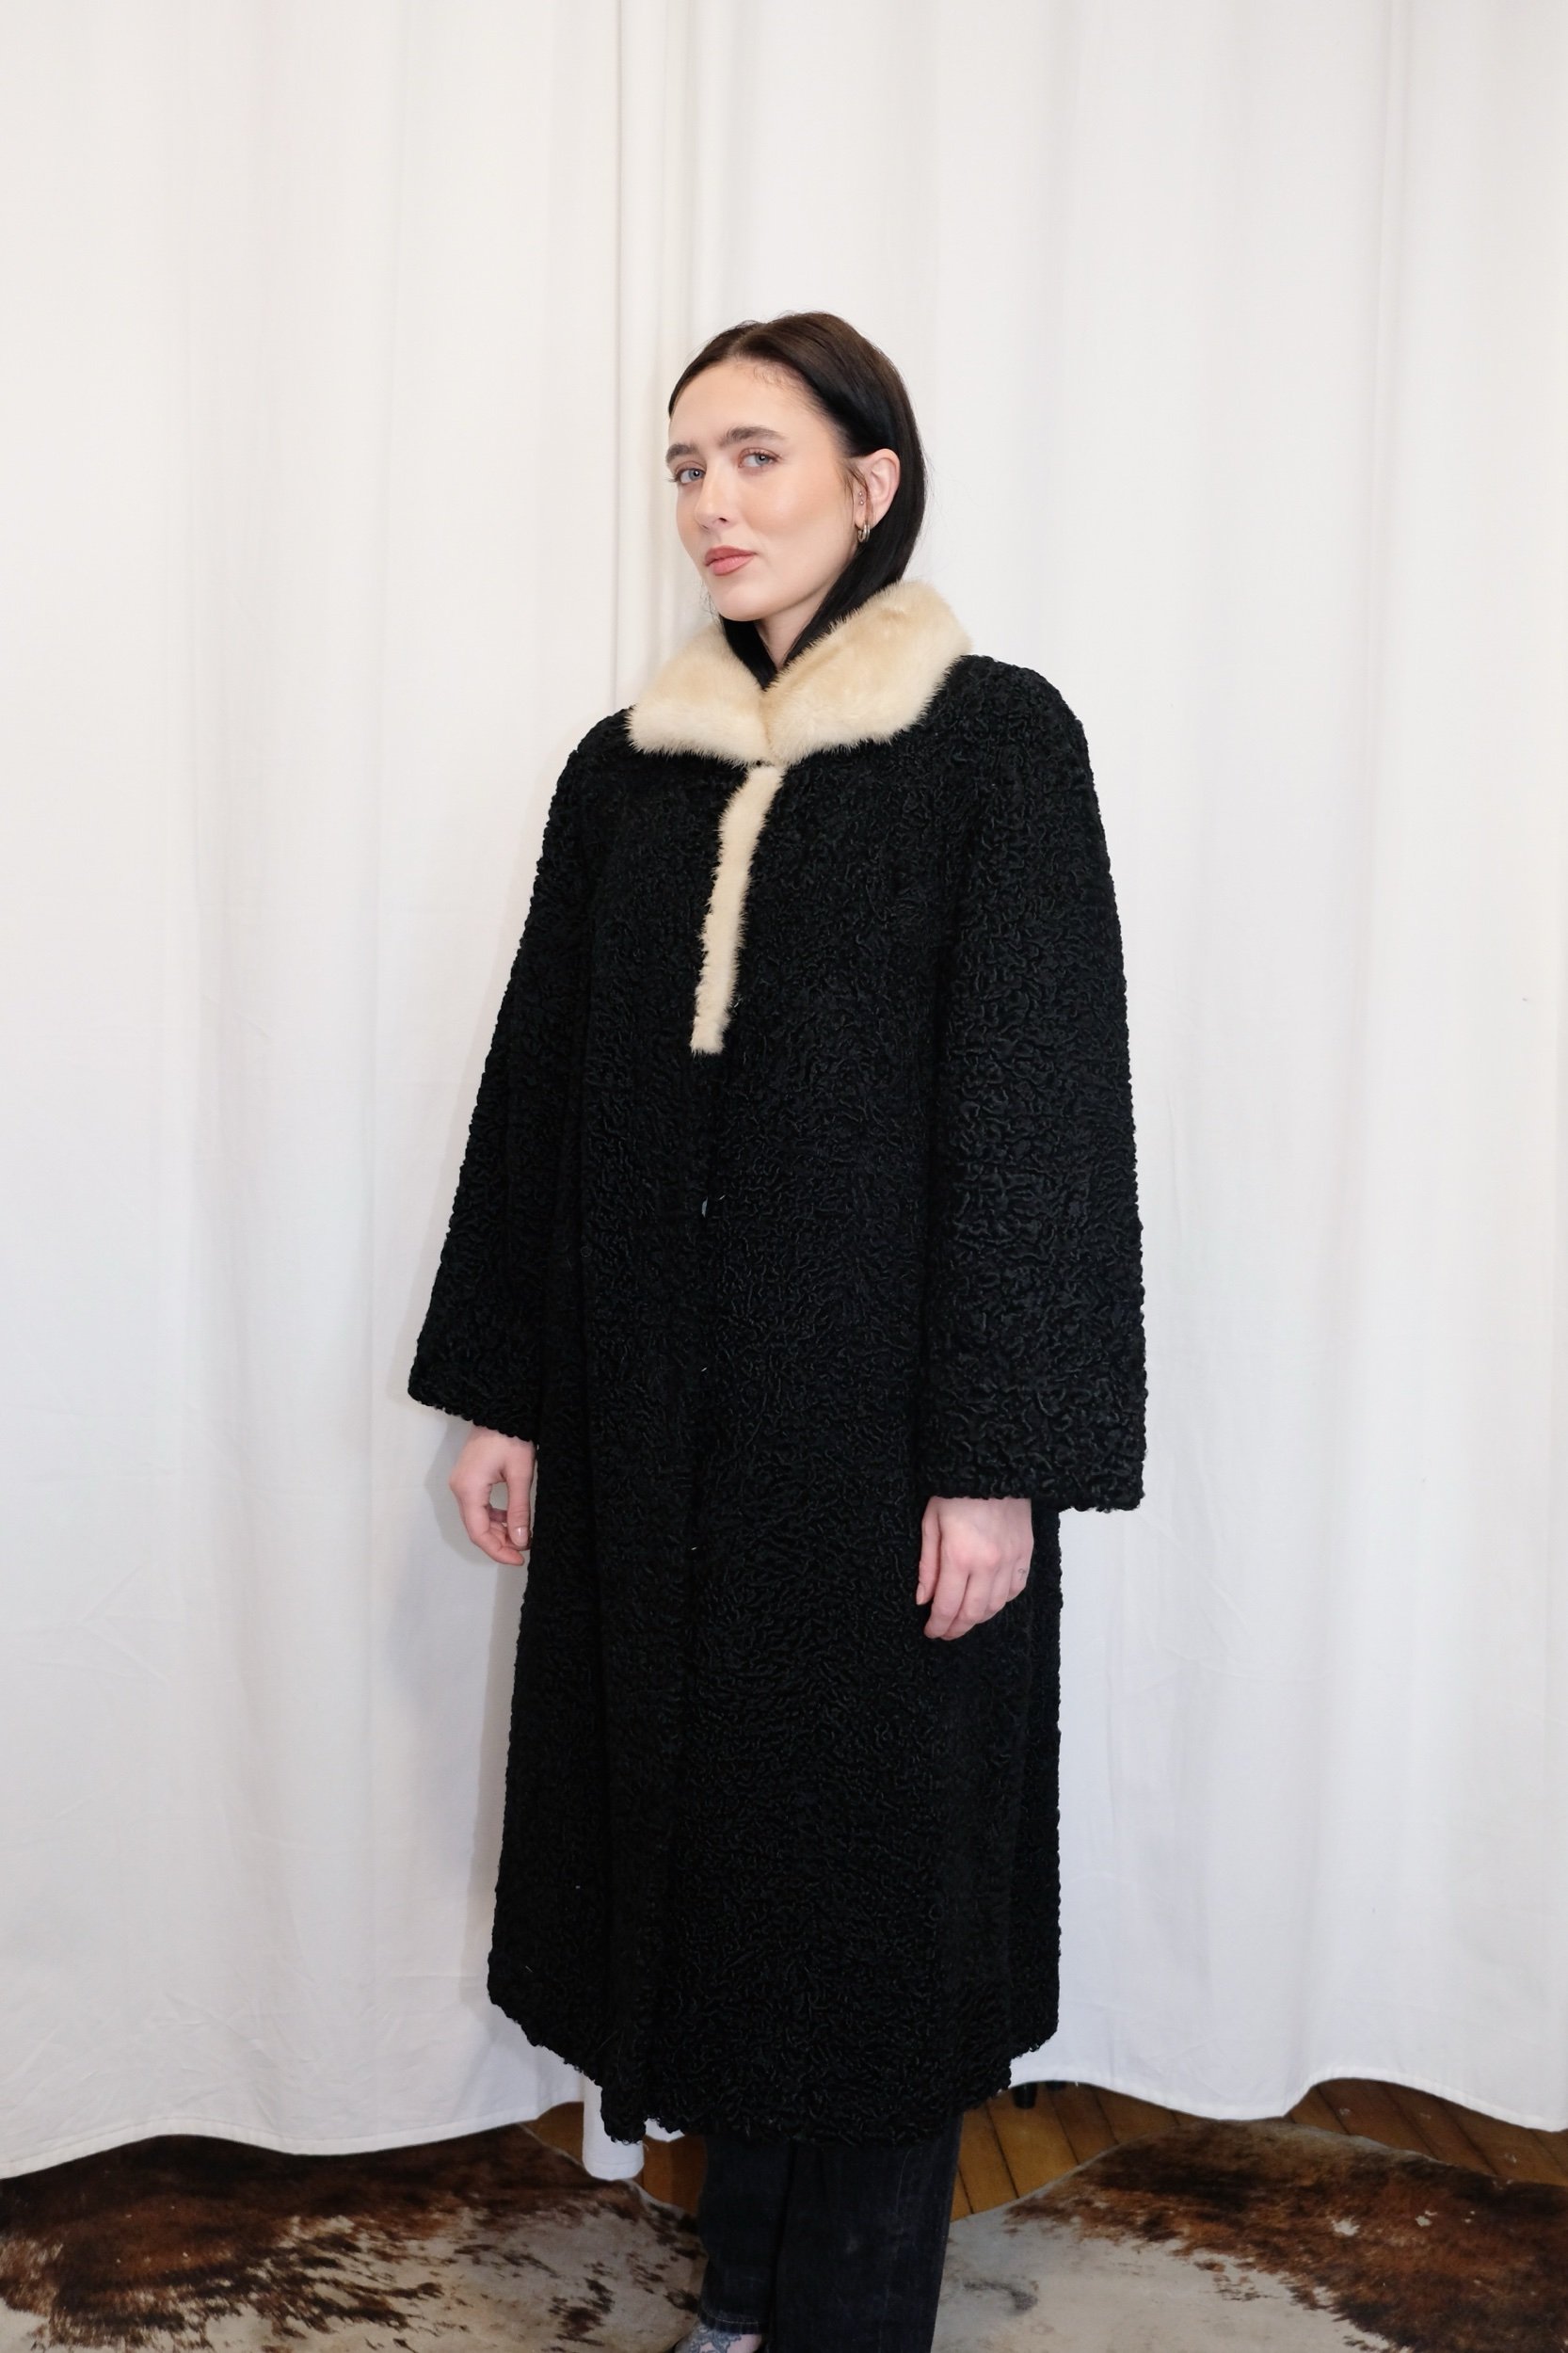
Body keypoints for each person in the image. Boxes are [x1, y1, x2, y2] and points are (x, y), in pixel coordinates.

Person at [408, 311, 1146, 2352]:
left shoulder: (993, 745)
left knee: (873, 1905)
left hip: (885, 1443)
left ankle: (848, 2319)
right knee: (712, 1873)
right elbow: (539, 1086)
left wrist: (997, 1456)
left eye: (754, 457)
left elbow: (1039, 1110)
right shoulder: (622, 771)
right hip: (653, 1434)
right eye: (685, 465)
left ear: (867, 481)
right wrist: (506, 1392)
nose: (711, 505)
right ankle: (741, 2297)